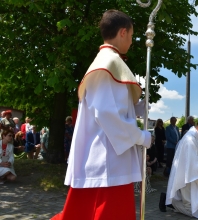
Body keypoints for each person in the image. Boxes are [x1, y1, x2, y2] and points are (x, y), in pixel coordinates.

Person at [51, 10, 151, 220]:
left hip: (108, 158)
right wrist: (141, 137)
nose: (132, 42)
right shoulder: (108, 64)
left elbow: (115, 107)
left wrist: (142, 106)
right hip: (107, 161)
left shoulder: (108, 62)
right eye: (132, 36)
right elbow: (106, 114)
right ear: (123, 32)